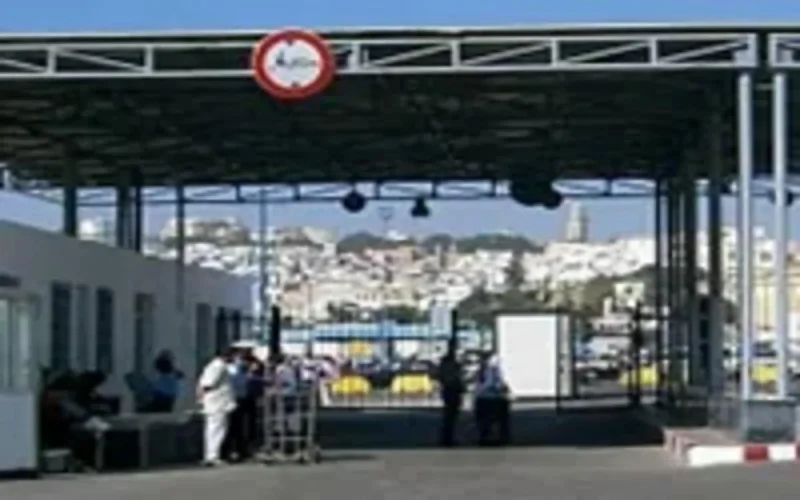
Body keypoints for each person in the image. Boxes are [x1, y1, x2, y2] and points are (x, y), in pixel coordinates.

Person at [197, 348, 236, 467]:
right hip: (217, 402)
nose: (234, 359)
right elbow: (208, 384)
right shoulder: (218, 366)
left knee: (214, 429)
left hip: (216, 402)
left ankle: (211, 455)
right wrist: (202, 395)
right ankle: (212, 456)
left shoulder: (216, 366)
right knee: (217, 429)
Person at [473, 354, 511, 446]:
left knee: (486, 420)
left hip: (484, 398)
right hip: (492, 398)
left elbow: (482, 386)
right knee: (495, 420)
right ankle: (495, 437)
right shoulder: (492, 371)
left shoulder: (483, 371)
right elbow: (496, 384)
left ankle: (487, 437)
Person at [223, 349, 251, 461]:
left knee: (241, 426)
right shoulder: (231, 369)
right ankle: (228, 451)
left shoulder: (243, 371)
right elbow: (234, 383)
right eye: (240, 358)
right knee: (232, 427)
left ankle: (241, 450)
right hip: (232, 399)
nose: (243, 361)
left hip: (242, 399)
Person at [437, 346, 464, 447]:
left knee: (448, 416)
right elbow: (457, 378)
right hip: (453, 391)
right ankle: (448, 438)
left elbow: (440, 377)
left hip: (447, 390)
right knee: (451, 416)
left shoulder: (444, 365)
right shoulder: (453, 365)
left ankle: (446, 437)